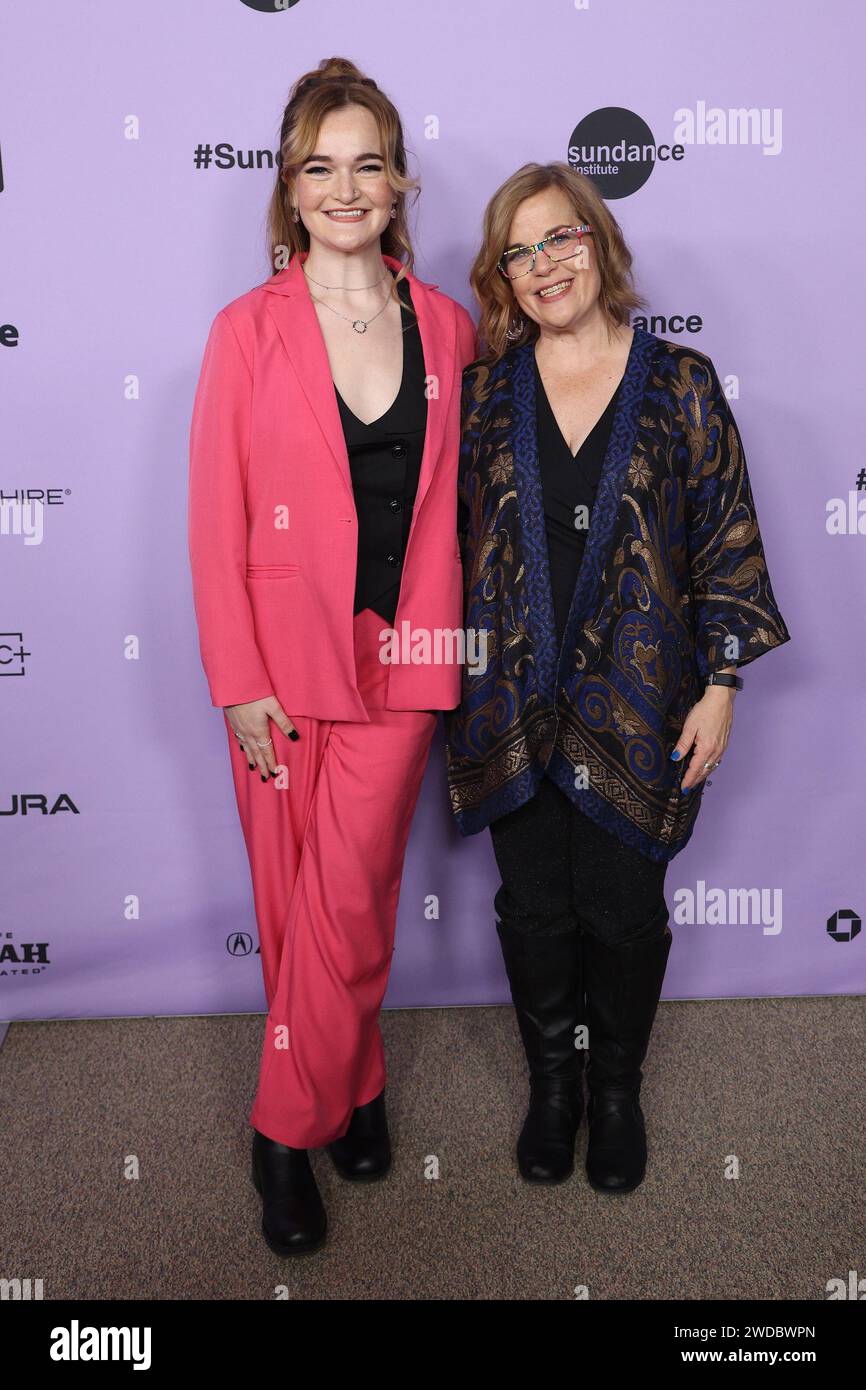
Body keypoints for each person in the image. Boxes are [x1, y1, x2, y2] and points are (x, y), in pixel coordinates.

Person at [446, 162, 791, 1194]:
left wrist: (722, 681)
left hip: (640, 709)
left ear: (598, 244)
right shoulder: (477, 396)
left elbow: (725, 539)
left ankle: (615, 1092)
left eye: (560, 238)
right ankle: (552, 1088)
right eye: (519, 250)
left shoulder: (680, 381)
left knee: (623, 911)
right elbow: (435, 546)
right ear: (500, 279)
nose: (544, 264)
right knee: (532, 911)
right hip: (506, 702)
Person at [188, 57, 476, 1255]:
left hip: (402, 659)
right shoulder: (246, 331)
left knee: (349, 899)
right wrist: (238, 681)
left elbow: (464, 502)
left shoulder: (448, 324)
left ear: (398, 180)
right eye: (321, 166)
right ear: (291, 189)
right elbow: (215, 514)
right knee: (289, 899)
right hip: (274, 667)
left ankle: (279, 1126)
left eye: (367, 163)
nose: (345, 186)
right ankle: (353, 1079)